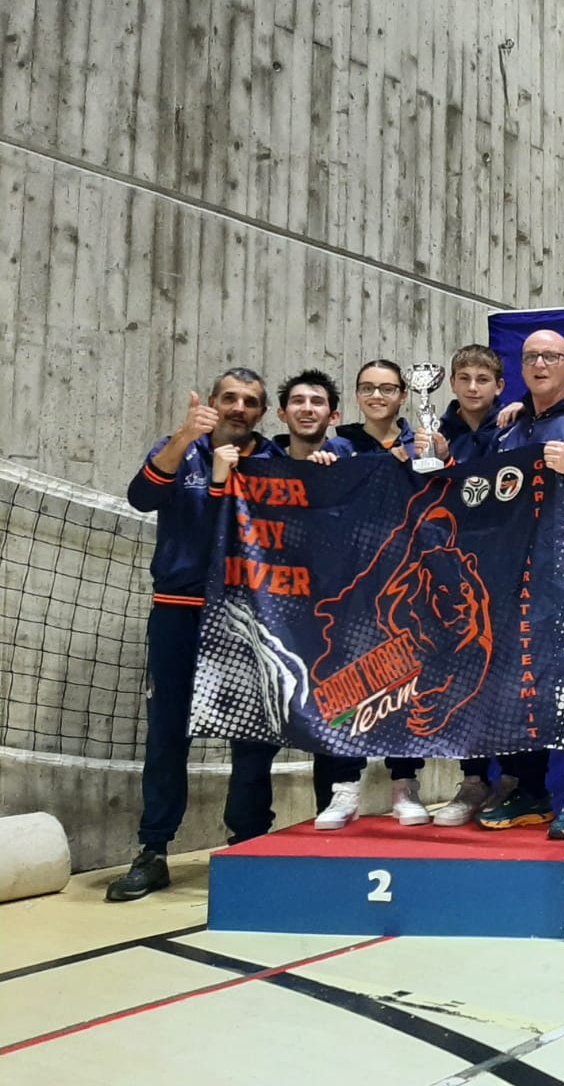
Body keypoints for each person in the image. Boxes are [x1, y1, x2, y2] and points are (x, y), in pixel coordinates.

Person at [106, 370, 289, 901]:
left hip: (246, 617)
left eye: (250, 401)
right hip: (179, 613)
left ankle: (248, 846)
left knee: (253, 737)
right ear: (211, 402)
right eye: (229, 398)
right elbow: (141, 496)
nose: (238, 407)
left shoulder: (274, 461)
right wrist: (188, 436)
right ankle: (153, 850)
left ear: (261, 413)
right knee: (167, 735)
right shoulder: (179, 449)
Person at [444, 329, 564, 839]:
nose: (540, 364)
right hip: (510, 573)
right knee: (519, 682)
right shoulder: (508, 428)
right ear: (521, 368)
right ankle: (530, 789)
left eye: (551, 357)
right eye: (531, 357)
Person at [334, 359, 452, 823]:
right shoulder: (339, 446)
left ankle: (405, 785)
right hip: (353, 583)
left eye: (387, 388)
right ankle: (345, 787)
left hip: (407, 580)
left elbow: (445, 496)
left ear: (404, 396)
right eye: (368, 388)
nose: (377, 396)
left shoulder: (422, 440)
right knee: (347, 684)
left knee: (407, 683)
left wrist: (439, 458)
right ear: (357, 395)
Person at [266, 369, 369, 832]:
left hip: (331, 608)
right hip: (272, 608)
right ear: (281, 412)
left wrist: (335, 478)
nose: (307, 408)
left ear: (334, 415)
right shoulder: (260, 463)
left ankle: (337, 801)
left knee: (333, 704)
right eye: (299, 401)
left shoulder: (346, 460)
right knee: (264, 722)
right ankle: (247, 832)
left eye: (317, 402)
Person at [438, 344, 505, 462]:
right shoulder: (439, 434)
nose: (472, 388)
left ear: (499, 387)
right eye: (464, 378)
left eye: (482, 380)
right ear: (453, 384)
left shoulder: (512, 429)